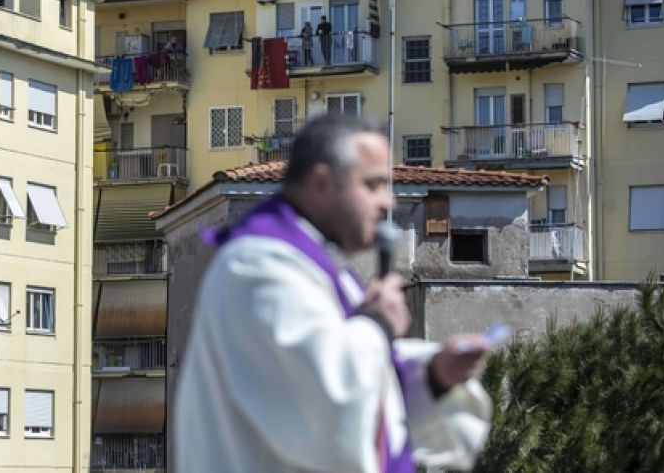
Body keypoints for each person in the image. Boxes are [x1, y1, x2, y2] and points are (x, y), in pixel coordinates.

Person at [175, 114, 492, 473]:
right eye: (373, 185)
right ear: (322, 184)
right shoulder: (259, 269)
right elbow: (324, 404)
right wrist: (378, 325)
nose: (388, 202)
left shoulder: (319, 269)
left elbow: (367, 396)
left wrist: (434, 376)